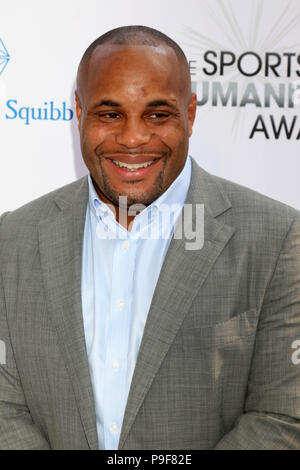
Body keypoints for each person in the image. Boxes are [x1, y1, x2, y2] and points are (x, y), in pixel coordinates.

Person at [0, 25, 300, 451]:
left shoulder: (279, 239)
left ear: (190, 114)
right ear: (78, 111)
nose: (134, 138)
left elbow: (282, 416)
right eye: (109, 114)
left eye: (158, 115)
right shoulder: (12, 238)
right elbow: (4, 409)